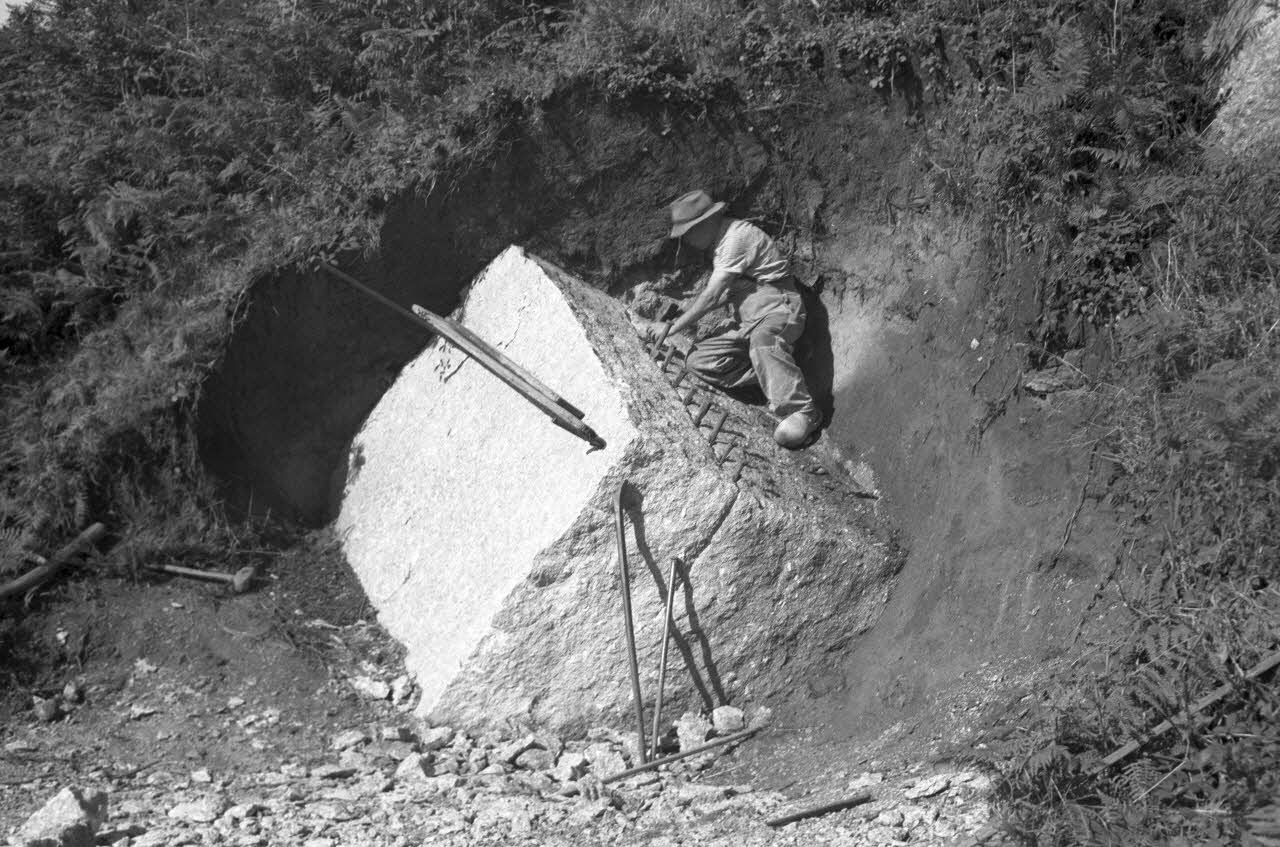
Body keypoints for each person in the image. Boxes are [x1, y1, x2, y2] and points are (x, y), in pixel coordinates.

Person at [641, 190, 821, 449]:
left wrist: (670, 329)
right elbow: (722, 295)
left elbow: (712, 296)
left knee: (763, 340)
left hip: (780, 308)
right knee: (699, 361)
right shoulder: (719, 246)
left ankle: (804, 410)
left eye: (689, 232)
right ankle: (778, 372)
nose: (688, 240)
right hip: (751, 320)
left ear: (705, 223)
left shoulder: (735, 238)